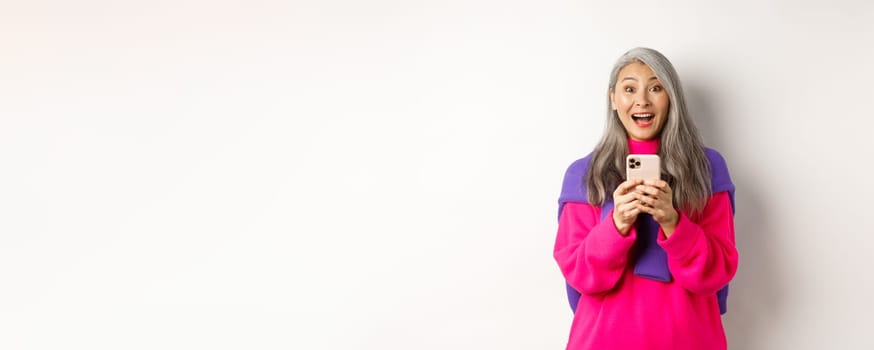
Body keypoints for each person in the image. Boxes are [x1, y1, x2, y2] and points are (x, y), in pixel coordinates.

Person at [553, 47, 738, 350]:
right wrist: (616, 225)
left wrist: (673, 221)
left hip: (689, 339)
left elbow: (717, 273)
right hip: (603, 340)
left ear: (673, 98)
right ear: (613, 98)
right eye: (629, 88)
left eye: (656, 87)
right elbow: (579, 277)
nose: (642, 100)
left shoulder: (707, 167)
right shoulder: (583, 173)